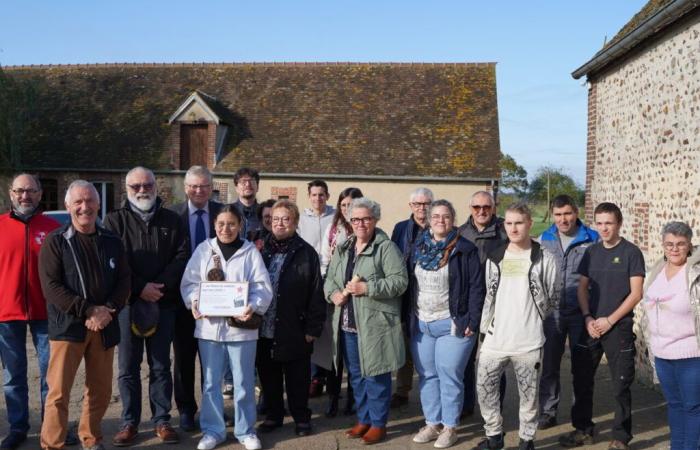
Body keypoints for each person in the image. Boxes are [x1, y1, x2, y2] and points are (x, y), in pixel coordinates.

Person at [39, 180, 131, 450]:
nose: (84, 207)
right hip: (68, 328)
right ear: (67, 206)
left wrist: (108, 310)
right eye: (78, 202)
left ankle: (90, 439)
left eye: (90, 200)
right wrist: (89, 310)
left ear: (99, 204)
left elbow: (125, 281)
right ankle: (52, 443)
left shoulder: (112, 242)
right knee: (58, 393)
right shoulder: (56, 242)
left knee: (100, 391)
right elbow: (51, 287)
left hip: (104, 326)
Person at [104, 167, 188, 446]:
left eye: (147, 184)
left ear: (155, 186)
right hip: (127, 303)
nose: (142, 190)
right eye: (136, 186)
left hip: (164, 303)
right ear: (126, 189)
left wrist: (158, 287)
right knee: (127, 367)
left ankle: (162, 421)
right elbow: (114, 261)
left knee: (161, 365)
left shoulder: (173, 220)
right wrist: (140, 288)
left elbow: (181, 257)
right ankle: (129, 422)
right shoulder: (114, 221)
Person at [180, 205, 273, 450]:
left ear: (240, 225)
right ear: (214, 225)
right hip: (210, 328)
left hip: (241, 328)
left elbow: (262, 287)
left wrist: (252, 306)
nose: (226, 229)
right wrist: (196, 302)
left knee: (243, 382)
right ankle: (213, 430)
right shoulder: (203, 250)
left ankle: (245, 430)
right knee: (211, 383)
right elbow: (189, 283)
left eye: (231, 224)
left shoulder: (250, 251)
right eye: (221, 224)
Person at [474, 202, 558, 450]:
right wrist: (484, 329)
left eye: (519, 223)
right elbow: (490, 295)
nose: (513, 228)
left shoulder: (544, 257)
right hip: (495, 339)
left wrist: (532, 319)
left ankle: (526, 440)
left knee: (528, 396)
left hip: (528, 340)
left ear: (529, 223)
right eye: (509, 223)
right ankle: (494, 437)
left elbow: (552, 297)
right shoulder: (495, 256)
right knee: (485, 389)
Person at [324, 197, 408, 445]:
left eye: (367, 218)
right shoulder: (344, 247)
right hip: (348, 324)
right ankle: (364, 419)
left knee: (376, 375)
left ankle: (379, 424)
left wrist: (367, 288)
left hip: (375, 325)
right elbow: (330, 279)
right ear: (350, 221)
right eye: (356, 219)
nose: (361, 223)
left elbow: (400, 281)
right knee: (357, 377)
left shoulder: (386, 248)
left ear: (375, 220)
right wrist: (333, 293)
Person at [409, 200, 485, 449]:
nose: (441, 221)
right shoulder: (417, 247)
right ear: (429, 219)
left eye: (446, 217)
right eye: (436, 216)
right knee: (427, 376)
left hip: (453, 324)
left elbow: (476, 287)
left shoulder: (465, 249)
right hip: (422, 324)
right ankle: (433, 422)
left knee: (449, 375)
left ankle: (450, 427)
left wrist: (473, 321)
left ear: (453, 220)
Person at [576, 202, 645, 450]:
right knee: (582, 380)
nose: (604, 228)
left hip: (618, 328)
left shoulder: (631, 253)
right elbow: (582, 288)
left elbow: (636, 294)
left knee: (621, 384)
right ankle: (583, 429)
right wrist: (587, 318)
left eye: (609, 223)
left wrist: (610, 320)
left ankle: (620, 437)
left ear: (619, 224)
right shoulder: (591, 252)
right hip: (591, 326)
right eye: (600, 223)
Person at [256, 200, 326, 436]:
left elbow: (316, 292)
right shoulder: (259, 249)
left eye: (286, 219)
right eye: (276, 219)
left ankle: (301, 417)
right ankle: (274, 415)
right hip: (263, 326)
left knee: (297, 378)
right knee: (269, 376)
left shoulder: (307, 253)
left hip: (295, 326)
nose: (280, 223)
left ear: (295, 222)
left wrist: (312, 328)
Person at [0, 174, 60, 449]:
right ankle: (18, 427)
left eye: (31, 191)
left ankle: (53, 427)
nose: (25, 196)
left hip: (46, 313)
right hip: (6, 314)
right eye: (20, 191)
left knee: (51, 376)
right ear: (11, 194)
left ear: (39, 194)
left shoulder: (53, 228)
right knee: (13, 376)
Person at [537, 195, 599, 439]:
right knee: (550, 364)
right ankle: (548, 410)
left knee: (581, 366)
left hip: (581, 313)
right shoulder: (545, 238)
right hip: (552, 313)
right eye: (558, 214)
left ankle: (580, 415)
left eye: (568, 214)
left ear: (576, 212)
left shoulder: (592, 238)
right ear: (552, 215)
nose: (563, 219)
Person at [169, 165, 223, 431]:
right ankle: (186, 410)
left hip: (217, 301)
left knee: (212, 361)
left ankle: (212, 410)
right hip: (182, 301)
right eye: (193, 186)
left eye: (203, 185)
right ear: (186, 187)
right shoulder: (172, 215)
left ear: (211, 187)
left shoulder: (222, 214)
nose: (199, 190)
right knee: (184, 359)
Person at [642, 221, 700, 450]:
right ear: (663, 245)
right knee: (674, 405)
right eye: (669, 244)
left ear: (689, 245)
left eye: (680, 244)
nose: (674, 249)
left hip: (691, 355)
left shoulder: (695, 274)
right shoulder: (657, 270)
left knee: (692, 407)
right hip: (662, 354)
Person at [458, 190, 508, 416]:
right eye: (476, 207)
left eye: (486, 207)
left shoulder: (505, 233)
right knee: (465, 360)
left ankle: (495, 408)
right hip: (468, 304)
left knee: (495, 361)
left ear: (493, 208)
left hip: (497, 306)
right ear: (470, 209)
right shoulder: (459, 234)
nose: (481, 212)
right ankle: (466, 405)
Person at [316, 187, 363, 417]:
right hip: (335, 295)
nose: (347, 209)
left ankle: (353, 400)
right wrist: (331, 288)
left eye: (351, 205)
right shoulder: (333, 229)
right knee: (335, 355)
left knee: (354, 355)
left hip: (356, 294)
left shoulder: (364, 229)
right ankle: (333, 398)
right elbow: (324, 260)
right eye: (343, 205)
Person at [389, 187, 433, 409]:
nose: (422, 208)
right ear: (411, 206)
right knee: (405, 345)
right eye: (417, 204)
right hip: (405, 294)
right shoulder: (400, 229)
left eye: (426, 204)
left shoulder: (440, 227)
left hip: (430, 295)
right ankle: (402, 390)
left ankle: (431, 393)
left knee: (427, 347)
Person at [298, 179, 335, 397]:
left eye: (321, 194)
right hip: (309, 279)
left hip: (331, 279)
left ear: (327, 196)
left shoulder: (335, 218)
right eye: (314, 194)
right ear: (309, 196)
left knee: (328, 330)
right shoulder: (302, 219)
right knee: (312, 328)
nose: (318, 198)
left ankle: (327, 375)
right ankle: (313, 376)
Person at [232, 167, 262, 239]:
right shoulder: (228, 211)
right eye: (243, 181)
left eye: (251, 181)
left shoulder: (263, 213)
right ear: (236, 188)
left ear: (257, 187)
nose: (248, 184)